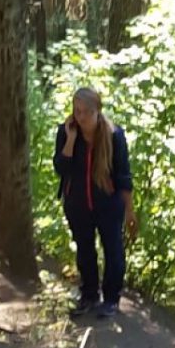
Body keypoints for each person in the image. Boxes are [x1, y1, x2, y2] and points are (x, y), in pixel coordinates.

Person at [54, 86, 136, 319]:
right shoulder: (66, 131)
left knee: (113, 251)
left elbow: (123, 177)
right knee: (85, 250)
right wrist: (70, 141)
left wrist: (129, 211)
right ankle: (89, 295)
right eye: (76, 111)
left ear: (97, 111)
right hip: (77, 203)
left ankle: (111, 299)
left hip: (108, 205)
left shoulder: (113, 135)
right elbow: (61, 169)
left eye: (86, 112)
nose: (80, 117)